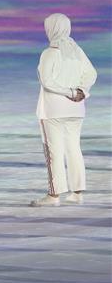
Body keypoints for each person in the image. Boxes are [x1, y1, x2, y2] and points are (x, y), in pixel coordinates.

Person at [31, 13, 97, 207]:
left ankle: (54, 195)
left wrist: (69, 91)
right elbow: (91, 73)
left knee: (54, 151)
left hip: (53, 110)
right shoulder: (76, 51)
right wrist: (81, 91)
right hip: (76, 109)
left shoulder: (50, 53)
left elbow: (47, 81)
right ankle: (77, 192)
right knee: (73, 149)